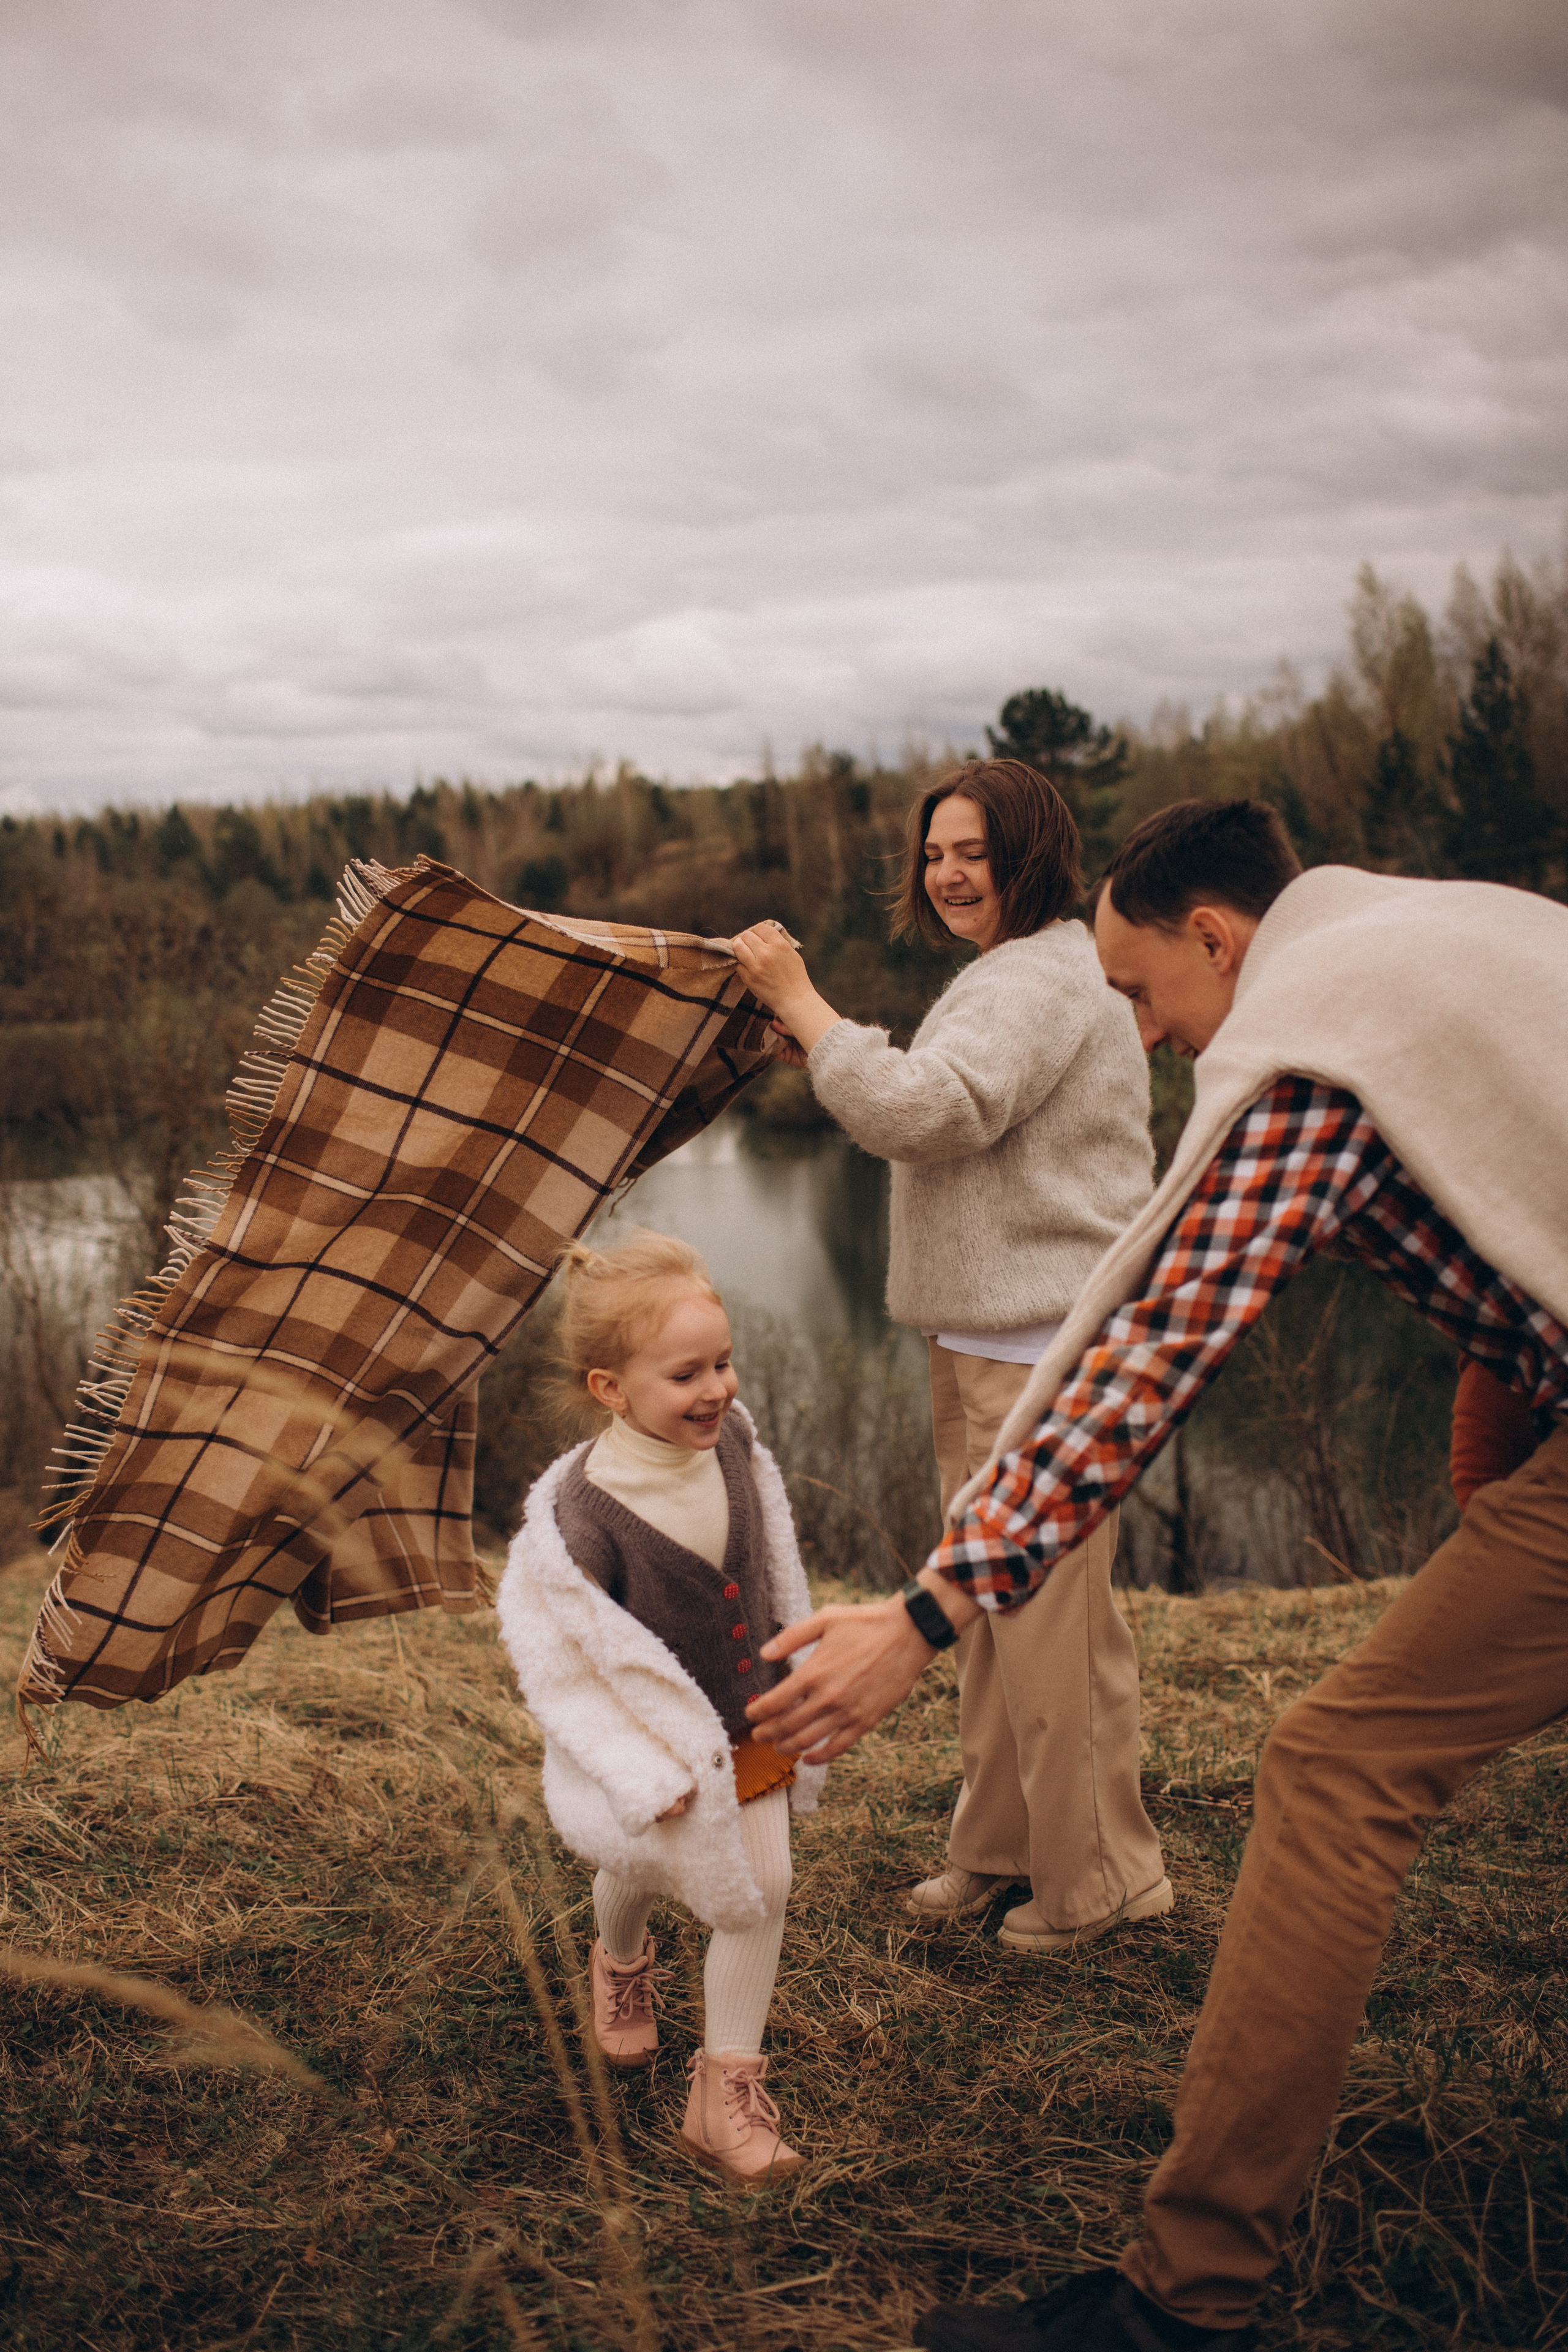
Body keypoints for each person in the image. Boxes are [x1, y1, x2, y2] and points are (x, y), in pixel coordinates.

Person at [745, 797, 1568, 2351]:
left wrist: (926, 1614)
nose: (1144, 1031)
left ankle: (1184, 2305)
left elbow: (1148, 1359)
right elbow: (1521, 1218)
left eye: (1145, 996)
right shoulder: (1448, 926)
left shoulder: (1312, 1033)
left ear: (1216, 938)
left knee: (1331, 1769)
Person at [730, 757, 1168, 1951]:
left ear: (1031, 851)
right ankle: (998, 1851)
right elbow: (936, 1108)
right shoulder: (1011, 975)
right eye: (933, 853)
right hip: (990, 1343)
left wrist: (807, 1003)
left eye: (970, 849)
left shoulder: (1038, 976)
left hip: (1043, 1354)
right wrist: (819, 1055)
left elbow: (927, 1113)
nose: (947, 872)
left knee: (1050, 1633)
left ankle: (1098, 1884)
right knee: (989, 1614)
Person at [496, 1230, 826, 2187]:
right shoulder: (582, 1521)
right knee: (635, 1867)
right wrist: (641, 1775)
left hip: (749, 1724)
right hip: (659, 1751)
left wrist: (796, 1666)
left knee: (760, 1890)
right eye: (687, 1374)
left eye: (723, 1362)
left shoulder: (735, 1443)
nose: (717, 1389)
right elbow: (566, 1674)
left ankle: (720, 2100)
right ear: (611, 1388)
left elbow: (773, 1560)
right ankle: (622, 1957)